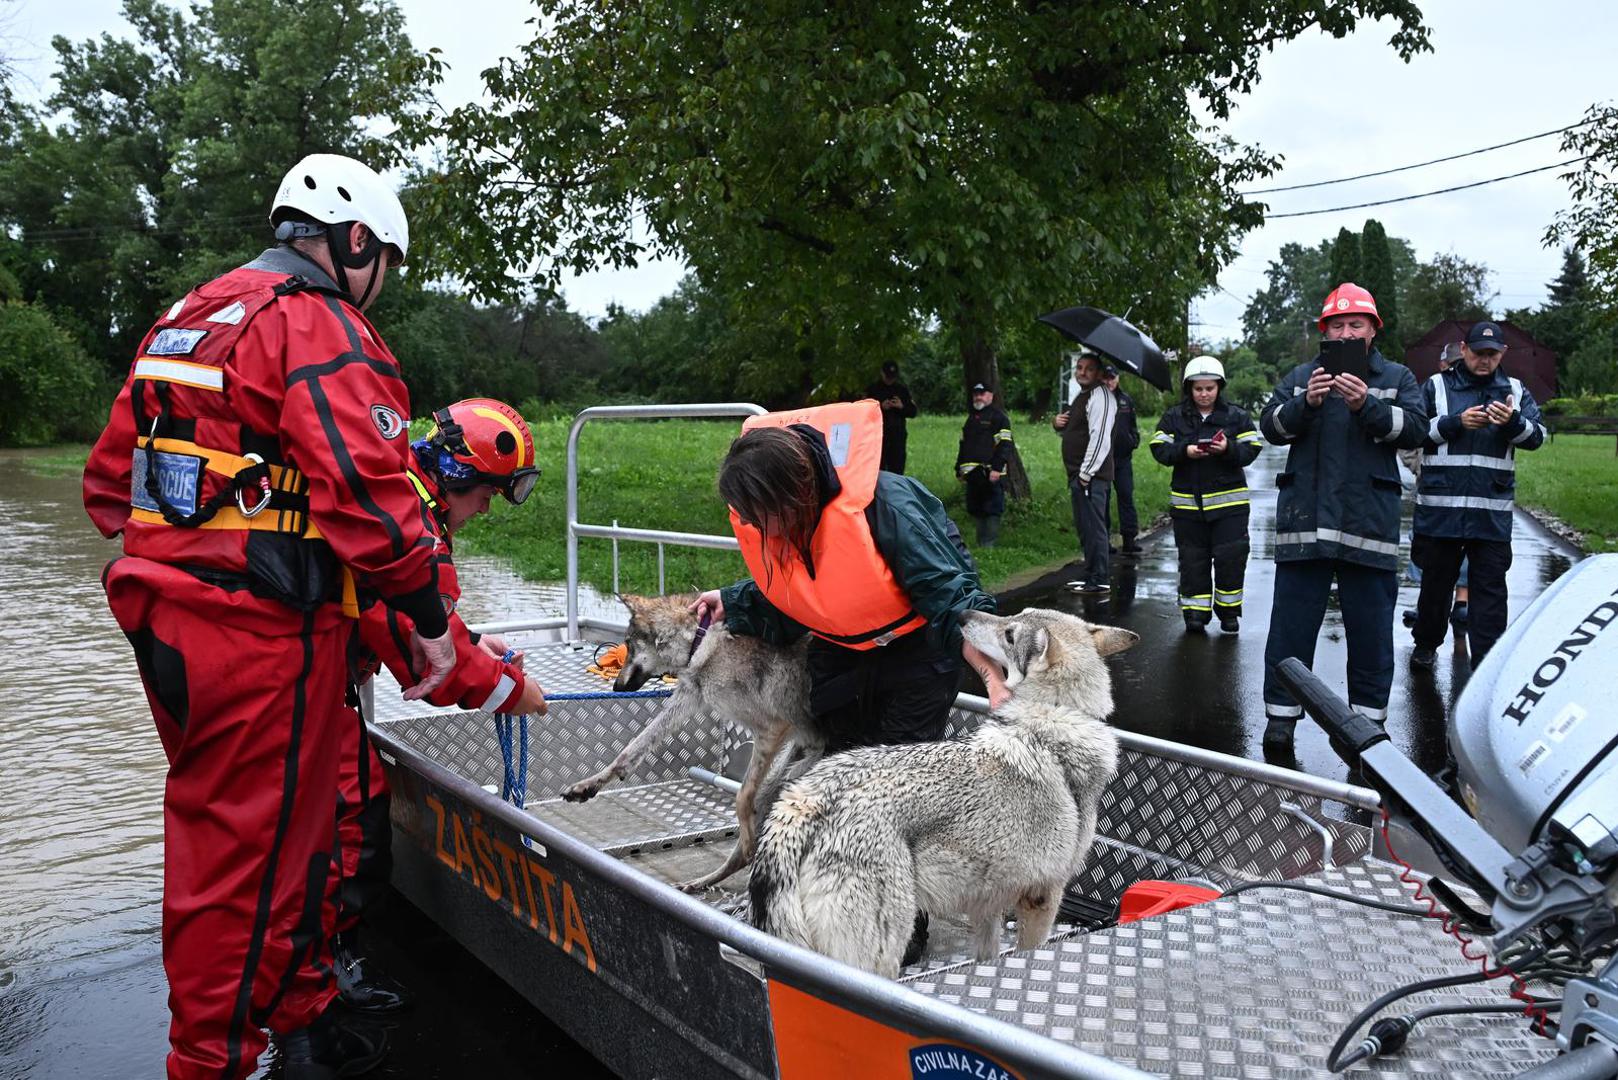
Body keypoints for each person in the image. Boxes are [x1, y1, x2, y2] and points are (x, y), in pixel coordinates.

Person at [82, 154, 463, 1079]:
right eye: (386, 266)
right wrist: (427, 616)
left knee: (283, 836)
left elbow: (107, 486)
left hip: (173, 624)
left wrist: (201, 541)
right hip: (257, 635)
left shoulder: (187, 318)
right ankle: (210, 1062)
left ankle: (300, 1023)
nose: (380, 291)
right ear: (356, 241)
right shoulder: (317, 325)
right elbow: (374, 500)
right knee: (239, 869)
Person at [691, 400, 1002, 964]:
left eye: (761, 513)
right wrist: (730, 602)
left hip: (914, 660)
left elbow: (951, 598)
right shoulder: (786, 520)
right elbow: (795, 589)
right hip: (842, 659)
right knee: (841, 792)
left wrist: (987, 669)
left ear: (794, 493)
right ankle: (846, 913)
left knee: (895, 799)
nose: (757, 526)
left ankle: (904, 931)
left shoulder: (890, 506)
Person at [336, 398, 548, 1013]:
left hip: (312, 672)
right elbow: (432, 661)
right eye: (486, 494)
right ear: (459, 477)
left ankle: (324, 969)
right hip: (303, 680)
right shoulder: (411, 529)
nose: (485, 509)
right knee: (353, 815)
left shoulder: (401, 491)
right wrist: (514, 692)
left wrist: (476, 641)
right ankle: (328, 981)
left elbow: (423, 624)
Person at [1258, 283, 1427, 749]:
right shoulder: (1301, 376)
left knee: (1371, 632)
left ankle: (1367, 726)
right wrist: (1305, 404)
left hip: (1367, 526)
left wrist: (1365, 404)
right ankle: (1281, 719)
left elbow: (1415, 429)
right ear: (1325, 331)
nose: (1348, 332)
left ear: (1373, 330)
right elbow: (1269, 428)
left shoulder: (1397, 377)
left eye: (1357, 324)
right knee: (1290, 626)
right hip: (1305, 524)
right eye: (1338, 325)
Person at [1409, 321, 1546, 670]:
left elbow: (1538, 436)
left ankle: (1487, 664)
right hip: (1441, 510)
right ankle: (1426, 644)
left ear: (1501, 354)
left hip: (1490, 513)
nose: (1485, 360)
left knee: (1490, 595)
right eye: (1479, 353)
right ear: (1464, 349)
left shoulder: (1515, 389)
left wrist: (1513, 423)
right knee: (1436, 588)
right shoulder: (1436, 386)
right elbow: (1411, 433)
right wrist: (1454, 424)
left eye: (1492, 354)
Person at [1149, 356, 1264, 633]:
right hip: (1189, 507)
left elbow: (1252, 448)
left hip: (1230, 507)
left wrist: (1227, 449)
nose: (1204, 394)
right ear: (1189, 388)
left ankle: (1228, 613)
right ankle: (1195, 614)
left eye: (1209, 388)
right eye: (1198, 389)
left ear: (1219, 387)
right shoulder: (1174, 416)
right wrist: (1184, 451)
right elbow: (1158, 447)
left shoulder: (1236, 416)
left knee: (1231, 559)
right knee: (1192, 560)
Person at [1401, 342, 1470, 629]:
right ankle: (1430, 605)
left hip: (1468, 486)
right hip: (1433, 485)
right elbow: (1412, 435)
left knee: (1460, 544)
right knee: (1430, 546)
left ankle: (1462, 604)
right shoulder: (1432, 391)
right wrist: (1421, 466)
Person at [1053, 352, 1117, 594]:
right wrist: (1057, 423)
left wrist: (1085, 474)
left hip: (1091, 477)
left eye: (1089, 369)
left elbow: (1100, 439)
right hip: (1079, 475)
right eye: (1079, 368)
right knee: (1085, 527)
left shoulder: (1101, 396)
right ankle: (1091, 574)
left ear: (1099, 373)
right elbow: (1075, 429)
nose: (1082, 372)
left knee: (1094, 527)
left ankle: (1100, 578)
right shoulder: (1083, 396)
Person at [954, 381, 1014, 547]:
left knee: (993, 509)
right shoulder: (971, 419)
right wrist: (958, 468)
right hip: (973, 474)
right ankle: (981, 544)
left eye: (982, 394)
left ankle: (989, 545)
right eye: (976, 394)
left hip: (991, 473)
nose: (978, 397)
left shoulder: (999, 418)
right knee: (977, 509)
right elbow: (963, 445)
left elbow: (1005, 444)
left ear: (991, 396)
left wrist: (996, 468)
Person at [1102, 367, 1143, 557]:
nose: (1109, 382)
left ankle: (1129, 539)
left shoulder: (1126, 400)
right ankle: (1104, 541)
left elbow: (1133, 424)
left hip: (1123, 458)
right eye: (1106, 378)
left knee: (1126, 497)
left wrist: (1133, 440)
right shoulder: (1095, 399)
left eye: (1112, 378)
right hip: (1102, 459)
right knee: (1103, 500)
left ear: (1117, 379)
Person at [863, 360, 918, 474]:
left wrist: (901, 406)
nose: (890, 380)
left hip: (897, 436)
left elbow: (913, 412)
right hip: (878, 437)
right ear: (882, 373)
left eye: (892, 377)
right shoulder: (873, 390)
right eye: (888, 376)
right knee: (878, 470)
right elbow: (864, 413)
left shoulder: (901, 390)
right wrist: (880, 407)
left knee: (897, 469)